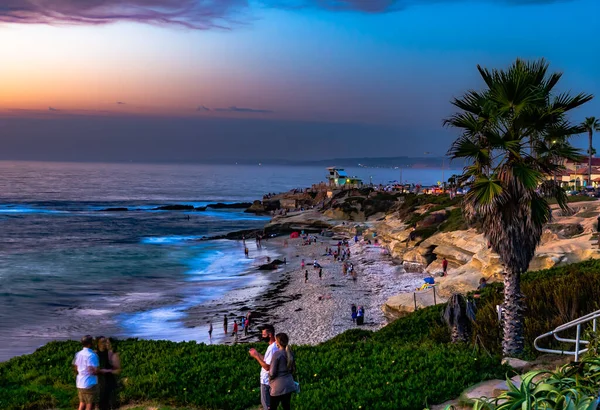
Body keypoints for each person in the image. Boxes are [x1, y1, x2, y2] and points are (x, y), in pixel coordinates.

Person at [249, 325, 279, 410]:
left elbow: (267, 367)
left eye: (264, 335)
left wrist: (256, 356)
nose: (262, 337)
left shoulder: (272, 348)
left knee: (266, 405)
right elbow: (267, 361)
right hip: (270, 380)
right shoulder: (274, 346)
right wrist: (257, 353)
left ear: (270, 335)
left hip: (266, 381)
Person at [269, 333, 297, 410]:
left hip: (278, 387)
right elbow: (293, 369)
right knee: (286, 406)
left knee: (273, 407)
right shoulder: (290, 352)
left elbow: (272, 372)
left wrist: (270, 379)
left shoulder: (277, 354)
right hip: (289, 384)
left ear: (278, 342)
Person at [72, 335, 100, 410]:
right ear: (90, 344)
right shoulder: (92, 355)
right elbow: (95, 370)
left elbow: (76, 367)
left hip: (80, 382)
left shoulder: (78, 354)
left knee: (82, 403)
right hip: (89, 382)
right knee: (90, 404)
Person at [96, 337, 121, 410]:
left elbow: (118, 370)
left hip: (109, 383)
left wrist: (106, 371)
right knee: (100, 405)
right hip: (98, 384)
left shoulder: (112, 354)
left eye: (107, 342)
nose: (105, 344)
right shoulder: (95, 354)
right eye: (103, 342)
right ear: (98, 343)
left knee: (110, 405)